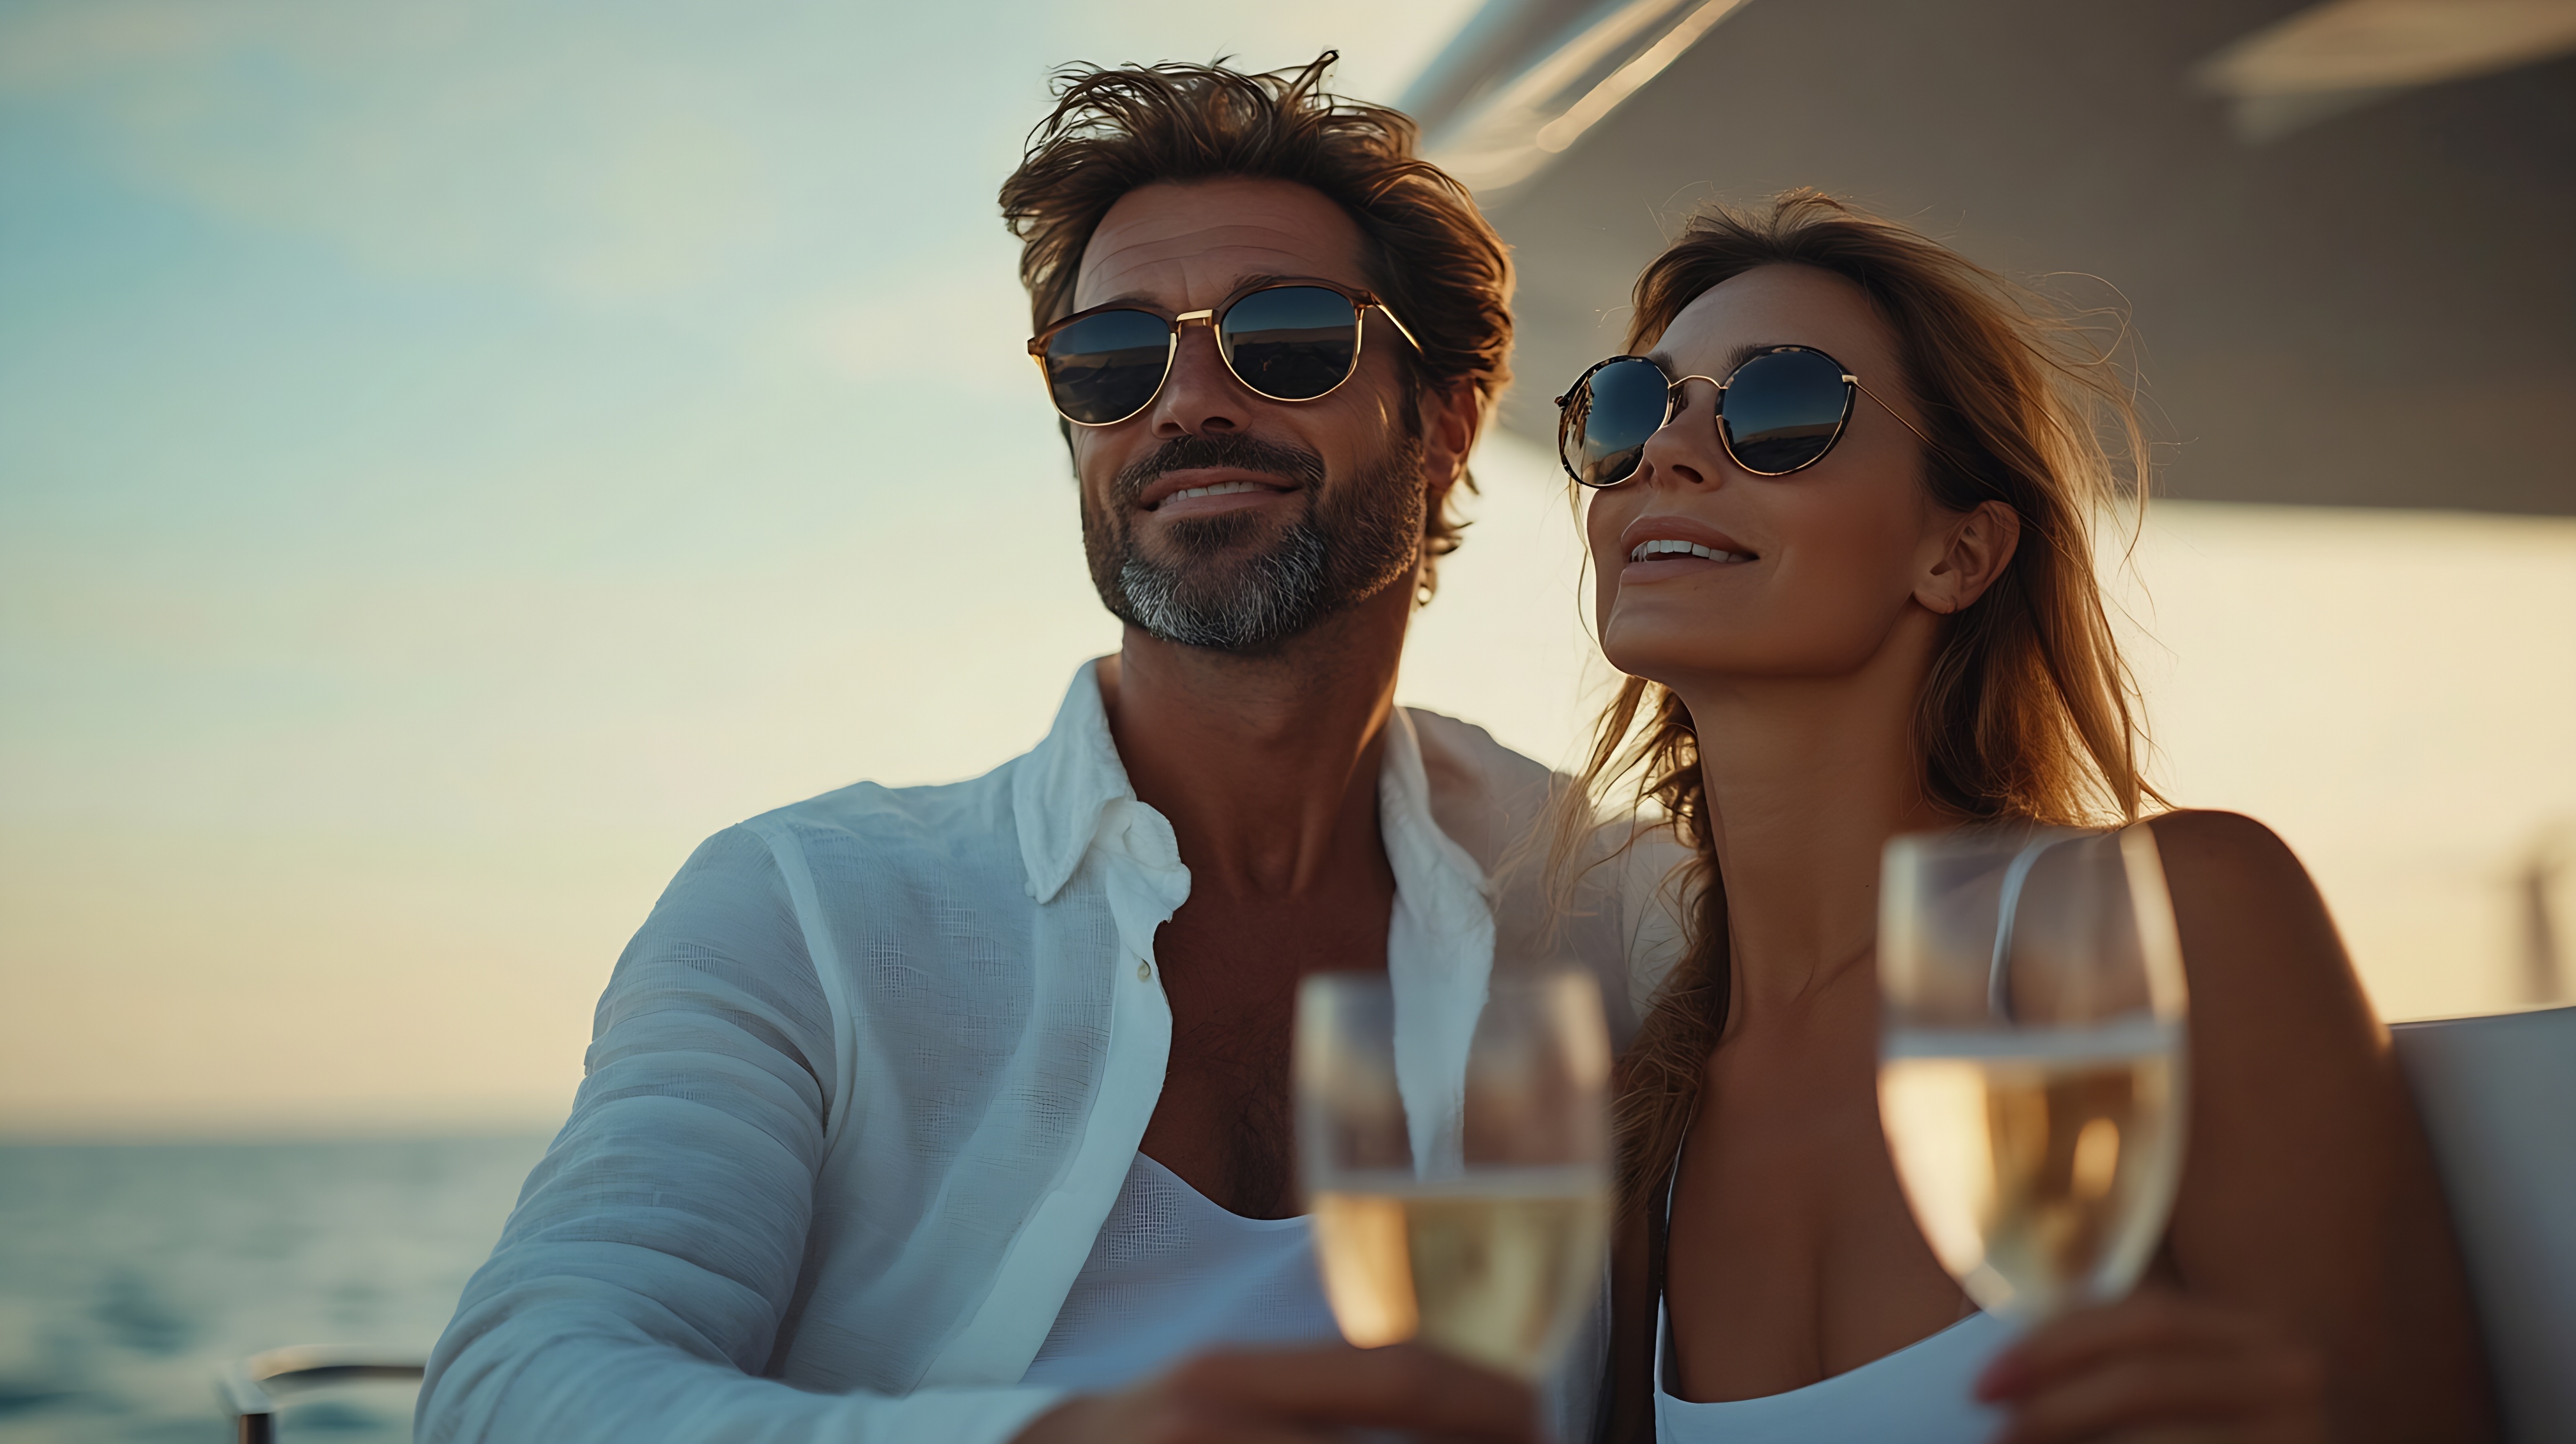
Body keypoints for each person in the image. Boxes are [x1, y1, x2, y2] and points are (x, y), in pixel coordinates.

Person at [413, 54, 1664, 1444]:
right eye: (1114, 362)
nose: (1185, 401)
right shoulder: (807, 912)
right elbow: (517, 1391)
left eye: (1288, 337)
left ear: (1440, 424)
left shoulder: (1609, 907)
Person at [1552, 192, 2496, 1442]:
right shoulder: (1648, 1131)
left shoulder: (2178, 917)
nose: (1666, 456)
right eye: (1632, 409)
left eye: (1780, 411)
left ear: (1959, 553)